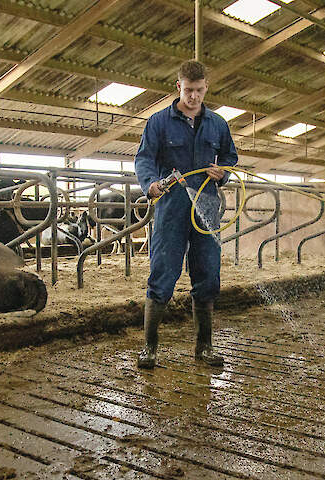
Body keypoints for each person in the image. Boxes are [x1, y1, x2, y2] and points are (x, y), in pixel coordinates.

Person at [133, 60, 238, 369]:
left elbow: (230, 156)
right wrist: (150, 184)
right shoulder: (158, 122)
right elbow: (144, 158)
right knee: (163, 271)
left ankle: (204, 347)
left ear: (206, 88)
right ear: (178, 87)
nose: (194, 96)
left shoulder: (217, 123)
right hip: (172, 204)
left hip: (206, 203)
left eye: (200, 90)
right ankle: (150, 348)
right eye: (189, 90)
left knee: (208, 272)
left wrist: (223, 173)